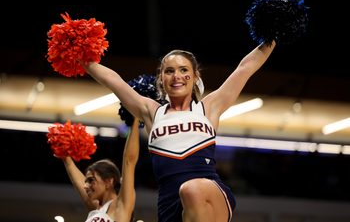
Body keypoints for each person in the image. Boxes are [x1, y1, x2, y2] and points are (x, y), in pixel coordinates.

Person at [81, 39, 275, 222]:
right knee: (187, 191)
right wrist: (81, 58)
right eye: (169, 71)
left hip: (209, 193)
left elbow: (245, 68)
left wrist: (273, 36)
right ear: (161, 78)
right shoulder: (151, 112)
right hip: (169, 204)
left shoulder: (208, 107)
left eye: (184, 70)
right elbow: (113, 80)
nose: (177, 76)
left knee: (191, 189)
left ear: (195, 76)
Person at [61, 118, 140, 222]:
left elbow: (129, 161)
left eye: (91, 180)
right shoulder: (98, 209)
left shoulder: (120, 206)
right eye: (86, 181)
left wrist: (135, 120)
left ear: (108, 181)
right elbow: (77, 181)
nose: (85, 186)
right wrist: (64, 154)